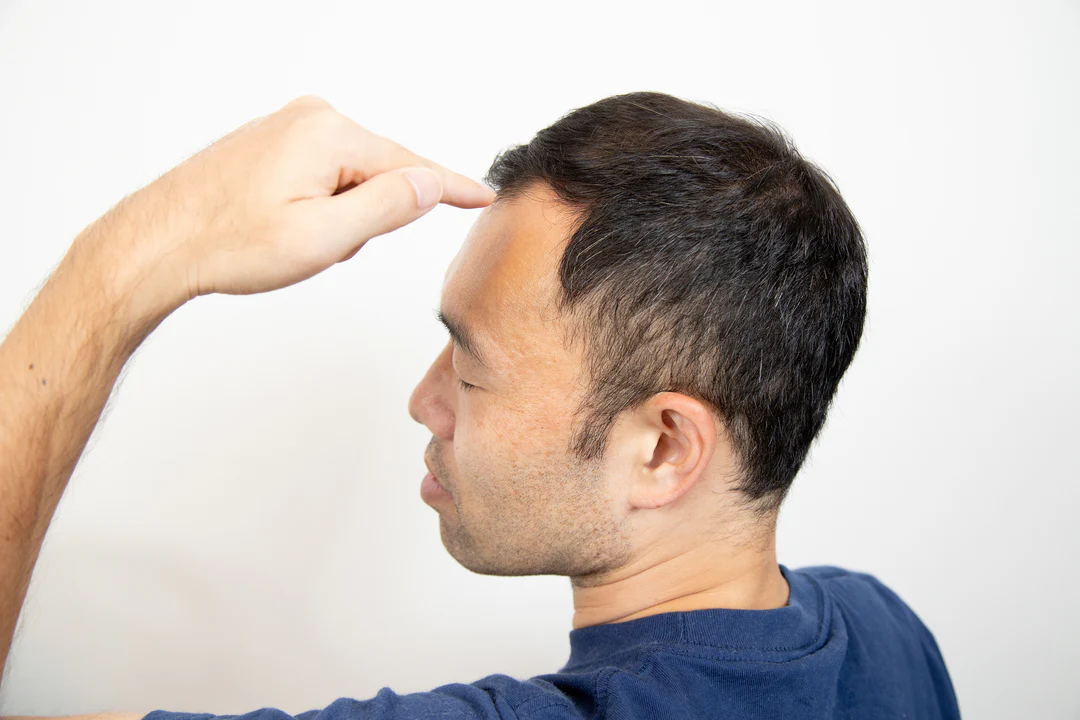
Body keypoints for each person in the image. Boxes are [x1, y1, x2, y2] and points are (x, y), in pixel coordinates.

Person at [0, 92, 960, 719]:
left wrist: (124, 267)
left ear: (664, 449)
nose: (424, 401)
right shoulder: (886, 633)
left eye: (469, 368)